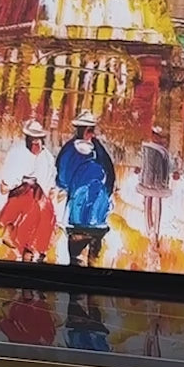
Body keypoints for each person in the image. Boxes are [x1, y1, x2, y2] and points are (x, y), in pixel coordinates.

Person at [56, 110, 116, 266]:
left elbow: (109, 172)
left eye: (92, 130)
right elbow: (62, 177)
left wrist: (107, 192)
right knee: (76, 256)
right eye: (89, 130)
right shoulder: (70, 150)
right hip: (78, 210)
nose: (91, 134)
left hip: (97, 210)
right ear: (81, 130)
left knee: (93, 256)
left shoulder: (98, 149)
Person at [0, 119, 57, 262]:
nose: (35, 141)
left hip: (40, 194)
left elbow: (50, 178)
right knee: (29, 209)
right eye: (32, 137)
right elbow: (8, 178)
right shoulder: (17, 152)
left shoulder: (47, 157)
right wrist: (13, 183)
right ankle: (19, 241)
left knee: (45, 214)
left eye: (38, 138)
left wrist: (48, 190)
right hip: (21, 190)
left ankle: (35, 250)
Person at [135, 124, 179, 249]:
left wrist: (175, 171)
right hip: (150, 179)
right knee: (149, 201)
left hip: (155, 179)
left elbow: (168, 164)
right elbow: (142, 160)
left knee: (153, 201)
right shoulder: (149, 148)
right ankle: (151, 231)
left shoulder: (161, 150)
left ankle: (154, 232)